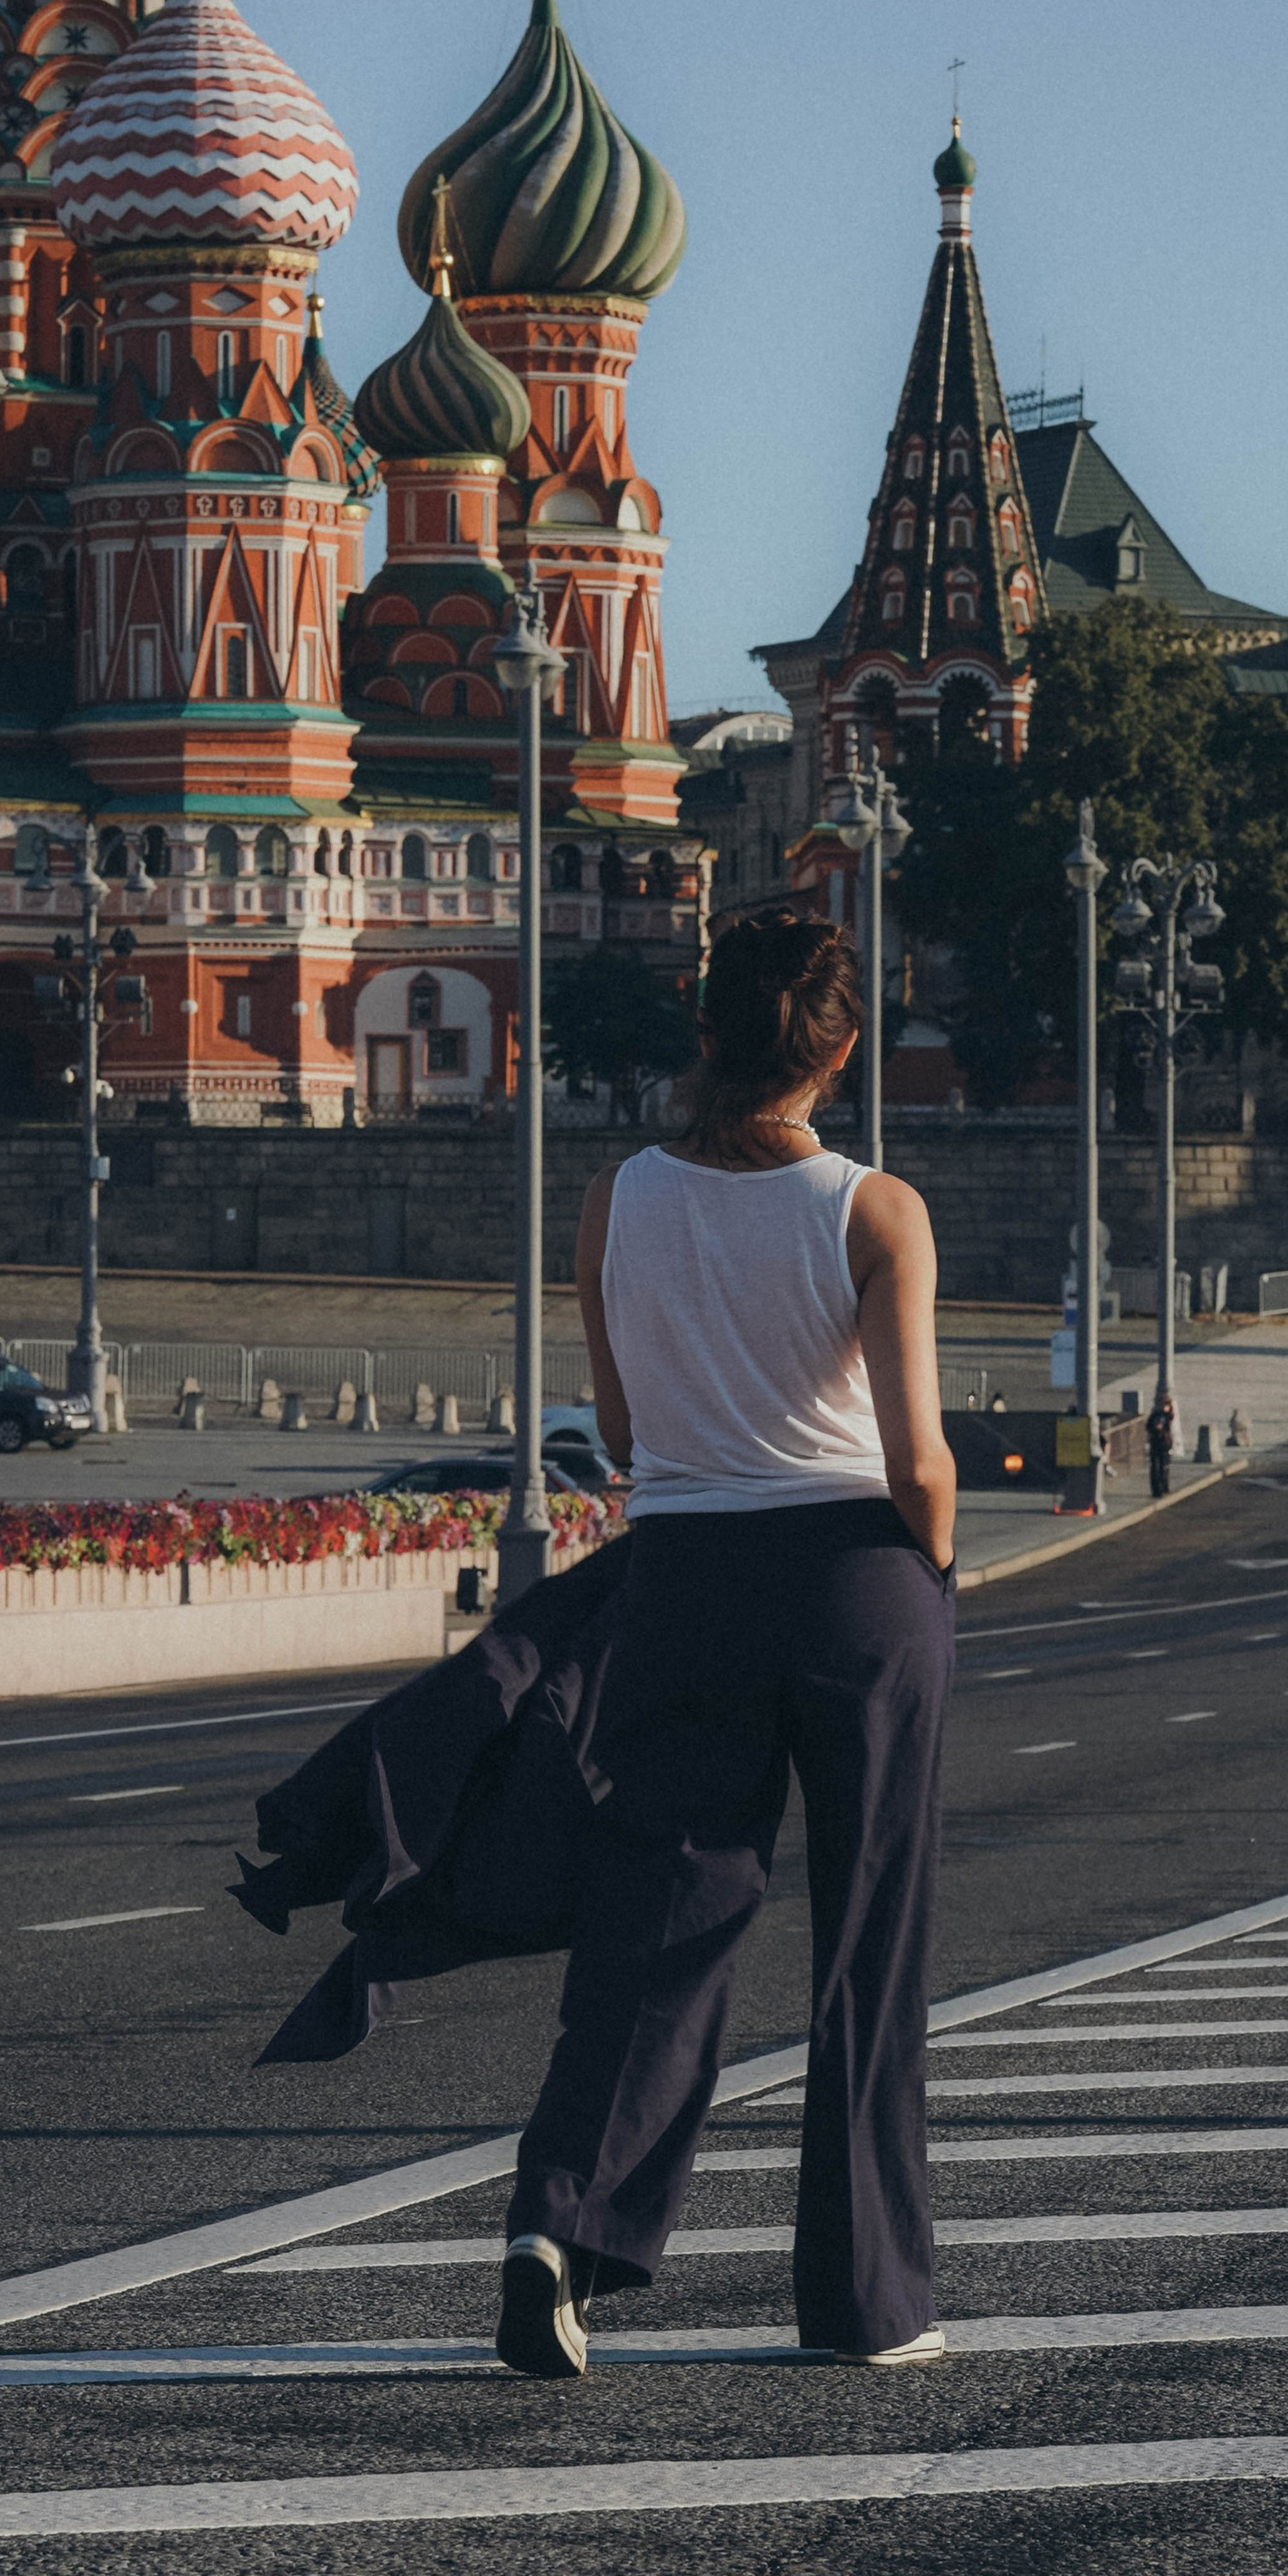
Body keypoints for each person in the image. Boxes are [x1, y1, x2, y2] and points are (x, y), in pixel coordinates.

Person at [495, 908, 959, 2380]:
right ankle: (870, 2304)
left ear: (710, 1033)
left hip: (682, 1577)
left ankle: (556, 2223)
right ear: (839, 1046)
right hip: (853, 1582)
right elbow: (922, 1459)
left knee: (657, 1924)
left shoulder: (615, 1198)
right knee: (867, 1947)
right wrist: (934, 1581)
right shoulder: (874, 1209)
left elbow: (622, 1431)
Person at [1144, 1388, 1176, 1499]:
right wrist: (1155, 1428)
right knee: (1155, 1467)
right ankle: (1156, 1490)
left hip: (1165, 1444)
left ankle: (1164, 1486)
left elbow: (1169, 1421)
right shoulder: (1154, 1415)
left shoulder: (1167, 1416)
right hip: (1155, 1444)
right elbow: (1148, 1426)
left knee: (1164, 1466)